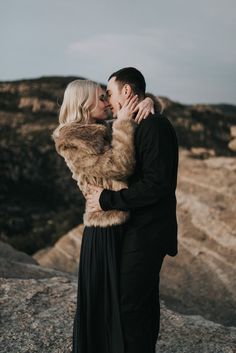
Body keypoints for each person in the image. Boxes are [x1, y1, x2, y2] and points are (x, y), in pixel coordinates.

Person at [52, 79, 156, 353]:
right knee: (103, 307)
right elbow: (120, 166)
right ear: (84, 103)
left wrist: (150, 102)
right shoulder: (71, 139)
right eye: (101, 98)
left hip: (124, 224)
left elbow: (139, 108)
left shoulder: (100, 129)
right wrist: (123, 123)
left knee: (122, 305)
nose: (107, 102)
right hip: (103, 230)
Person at [86, 67, 179, 353]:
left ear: (127, 92)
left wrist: (107, 200)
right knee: (143, 303)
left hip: (148, 232)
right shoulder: (135, 121)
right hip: (139, 230)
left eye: (111, 93)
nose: (109, 100)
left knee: (130, 306)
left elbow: (157, 186)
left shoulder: (155, 126)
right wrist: (149, 99)